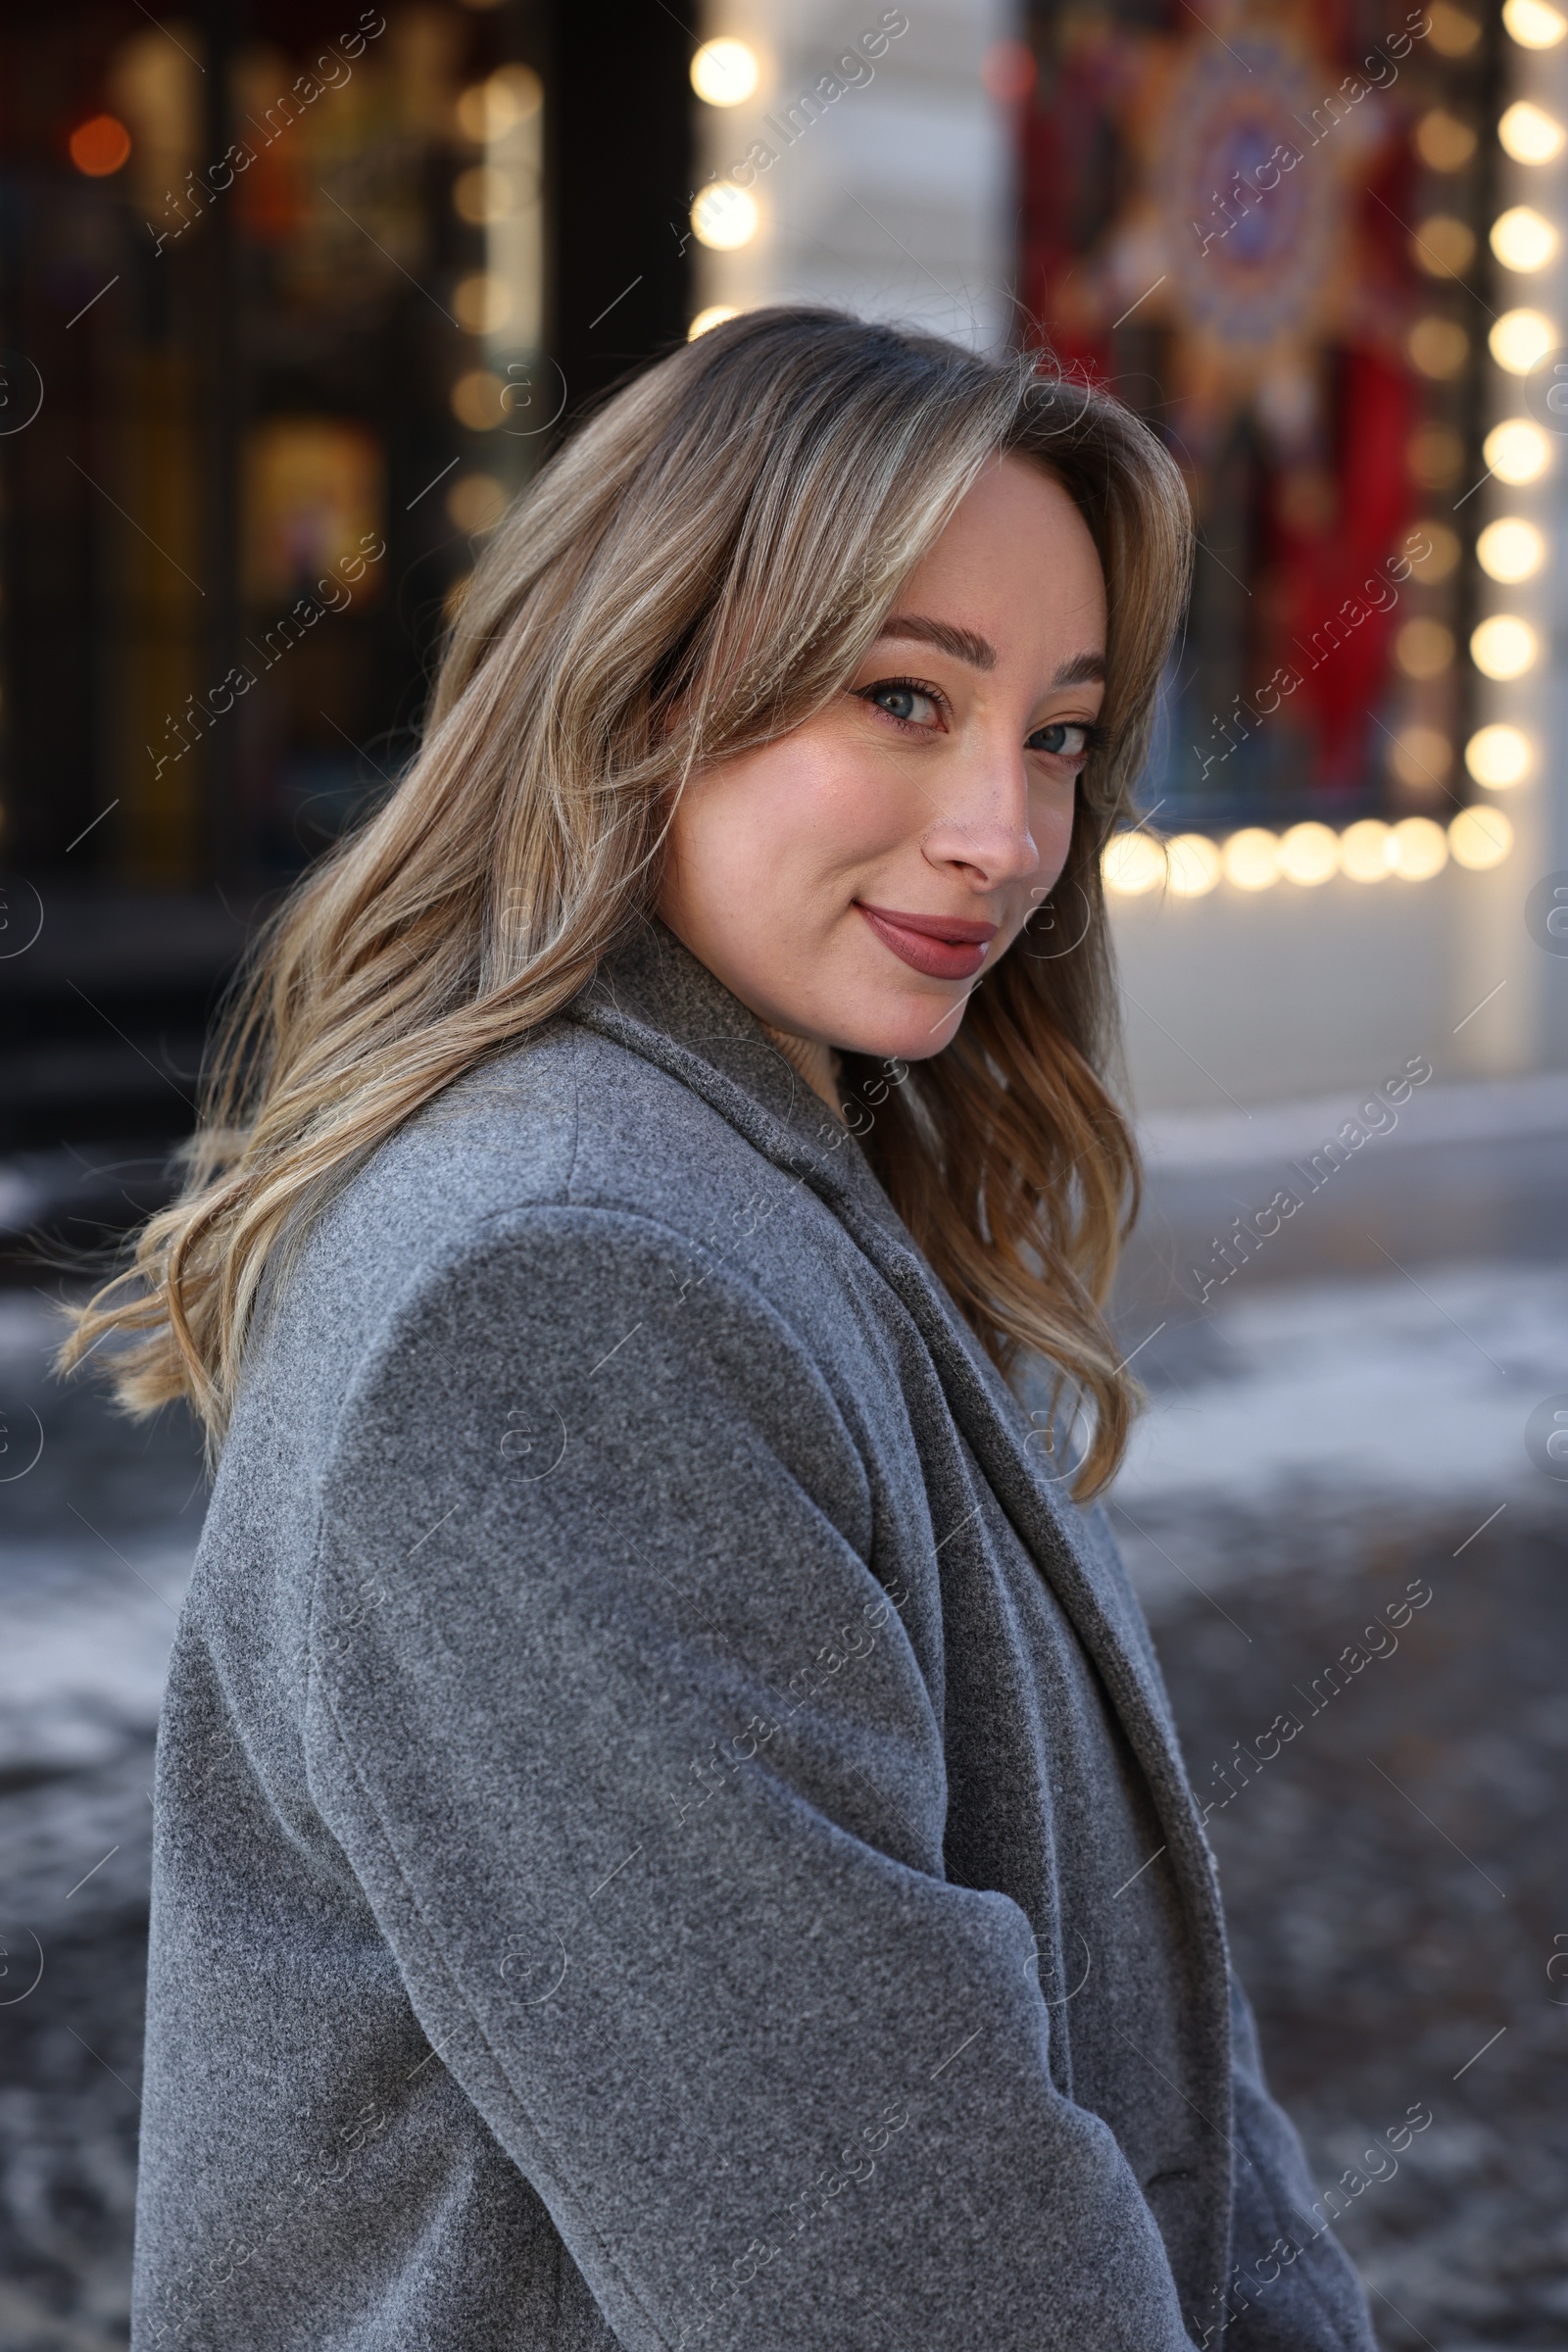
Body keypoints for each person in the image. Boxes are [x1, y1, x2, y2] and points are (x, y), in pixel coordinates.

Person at [67, 308, 1376, 2351]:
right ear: (642, 689)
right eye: (900, 697)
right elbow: (894, 2266)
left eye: (1050, 730)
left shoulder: (801, 1183)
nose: (1003, 834)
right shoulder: (558, 1288)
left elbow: (1149, 2048)